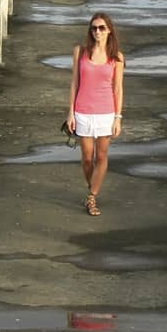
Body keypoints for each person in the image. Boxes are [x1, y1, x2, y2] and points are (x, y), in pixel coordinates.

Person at [67, 13, 124, 216]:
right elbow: (75, 83)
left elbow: (118, 89)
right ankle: (93, 189)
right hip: (82, 111)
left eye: (101, 28)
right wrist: (70, 113)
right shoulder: (80, 52)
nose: (97, 31)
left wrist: (118, 117)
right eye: (94, 28)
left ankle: (92, 197)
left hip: (106, 112)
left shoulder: (116, 57)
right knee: (86, 158)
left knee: (101, 155)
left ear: (109, 30)